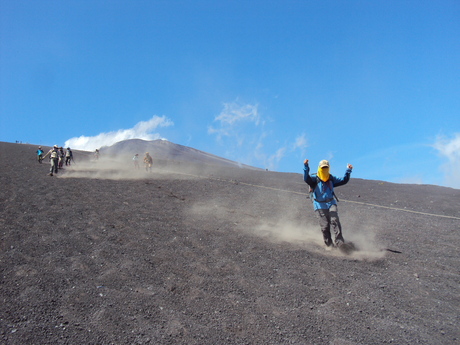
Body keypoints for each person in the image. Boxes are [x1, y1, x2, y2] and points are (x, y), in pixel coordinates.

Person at [303, 159, 353, 249]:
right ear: (319, 168)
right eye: (323, 168)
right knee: (325, 226)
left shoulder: (331, 178)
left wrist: (348, 171)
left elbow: (344, 180)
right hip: (319, 205)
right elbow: (306, 179)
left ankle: (340, 243)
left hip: (331, 203)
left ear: (328, 168)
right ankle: (329, 245)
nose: (324, 169)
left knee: (335, 220)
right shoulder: (315, 179)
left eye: (326, 167)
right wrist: (306, 167)